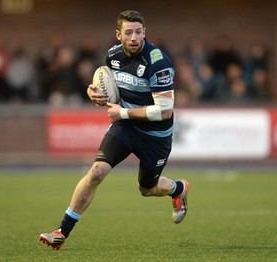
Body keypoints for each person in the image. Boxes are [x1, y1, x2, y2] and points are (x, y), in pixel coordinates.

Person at [39, 10, 190, 250]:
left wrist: (122, 112)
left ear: (144, 33)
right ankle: (61, 232)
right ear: (118, 34)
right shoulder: (112, 56)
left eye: (138, 32)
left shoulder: (158, 62)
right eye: (128, 32)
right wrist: (93, 92)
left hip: (155, 136)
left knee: (147, 189)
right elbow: (107, 87)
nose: (134, 37)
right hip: (126, 128)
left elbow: (165, 111)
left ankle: (179, 189)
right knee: (97, 171)